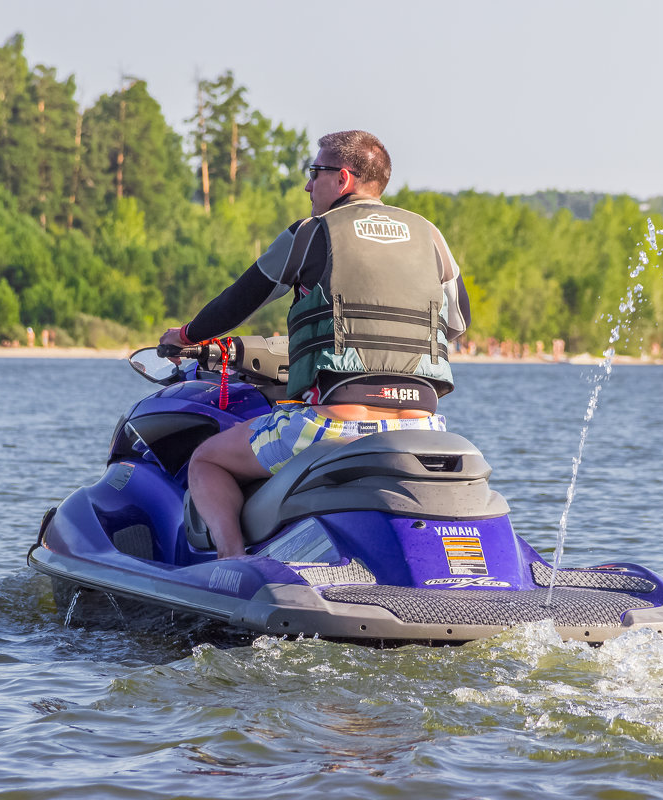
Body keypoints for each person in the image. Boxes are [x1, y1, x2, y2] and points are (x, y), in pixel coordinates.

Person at [159, 130, 469, 558]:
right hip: (422, 427)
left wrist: (186, 336)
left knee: (207, 460)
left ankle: (231, 562)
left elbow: (239, 300)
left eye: (314, 172)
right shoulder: (431, 236)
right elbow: (457, 323)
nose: (308, 185)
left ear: (343, 178)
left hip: (335, 424)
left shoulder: (311, 232)